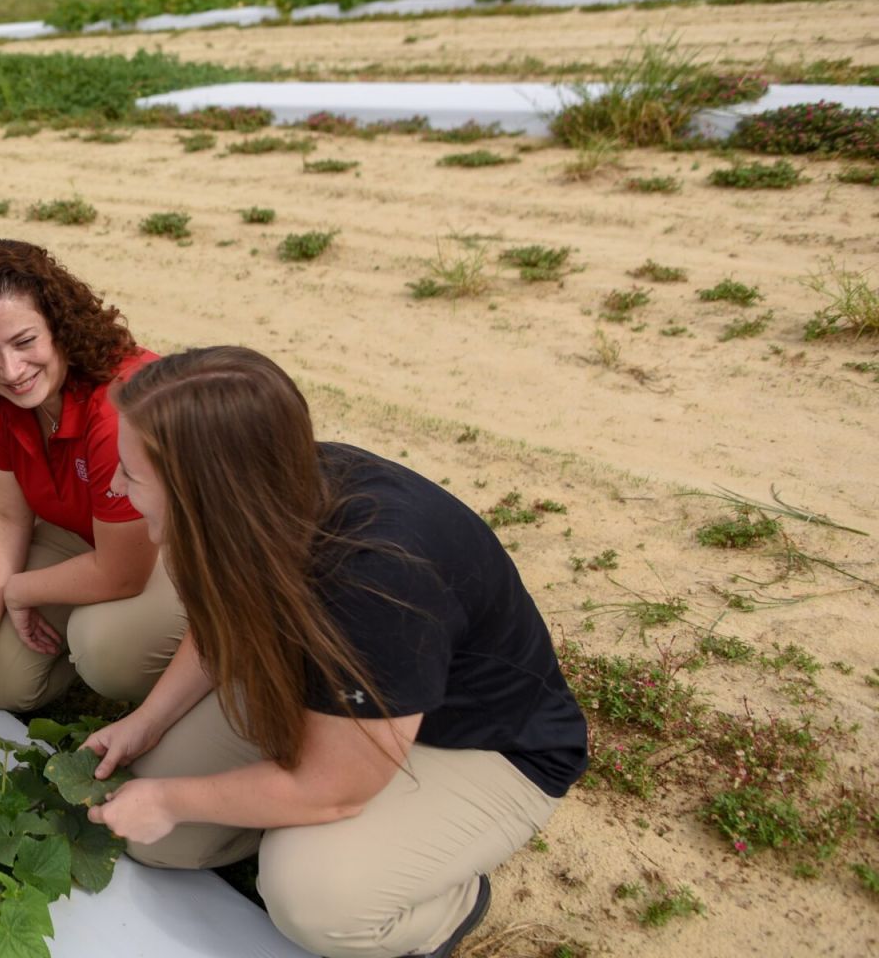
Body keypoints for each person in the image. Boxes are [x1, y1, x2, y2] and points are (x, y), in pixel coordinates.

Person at [82, 348, 588, 958]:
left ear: (200, 488)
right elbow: (222, 622)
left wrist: (173, 800)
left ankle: (446, 903)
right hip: (349, 702)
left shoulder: (378, 578)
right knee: (159, 839)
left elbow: (334, 786)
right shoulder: (259, 488)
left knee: (314, 898)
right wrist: (148, 722)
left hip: (480, 745)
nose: (113, 486)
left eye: (132, 476)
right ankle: (299, 818)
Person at [0, 241, 182, 713]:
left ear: (59, 326)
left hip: (169, 550)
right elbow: (4, 516)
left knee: (104, 651)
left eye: (25, 342)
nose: (11, 370)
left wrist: (20, 591)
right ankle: (69, 629)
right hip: (83, 537)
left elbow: (122, 573)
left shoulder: (117, 408)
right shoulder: (0, 398)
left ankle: (175, 650)